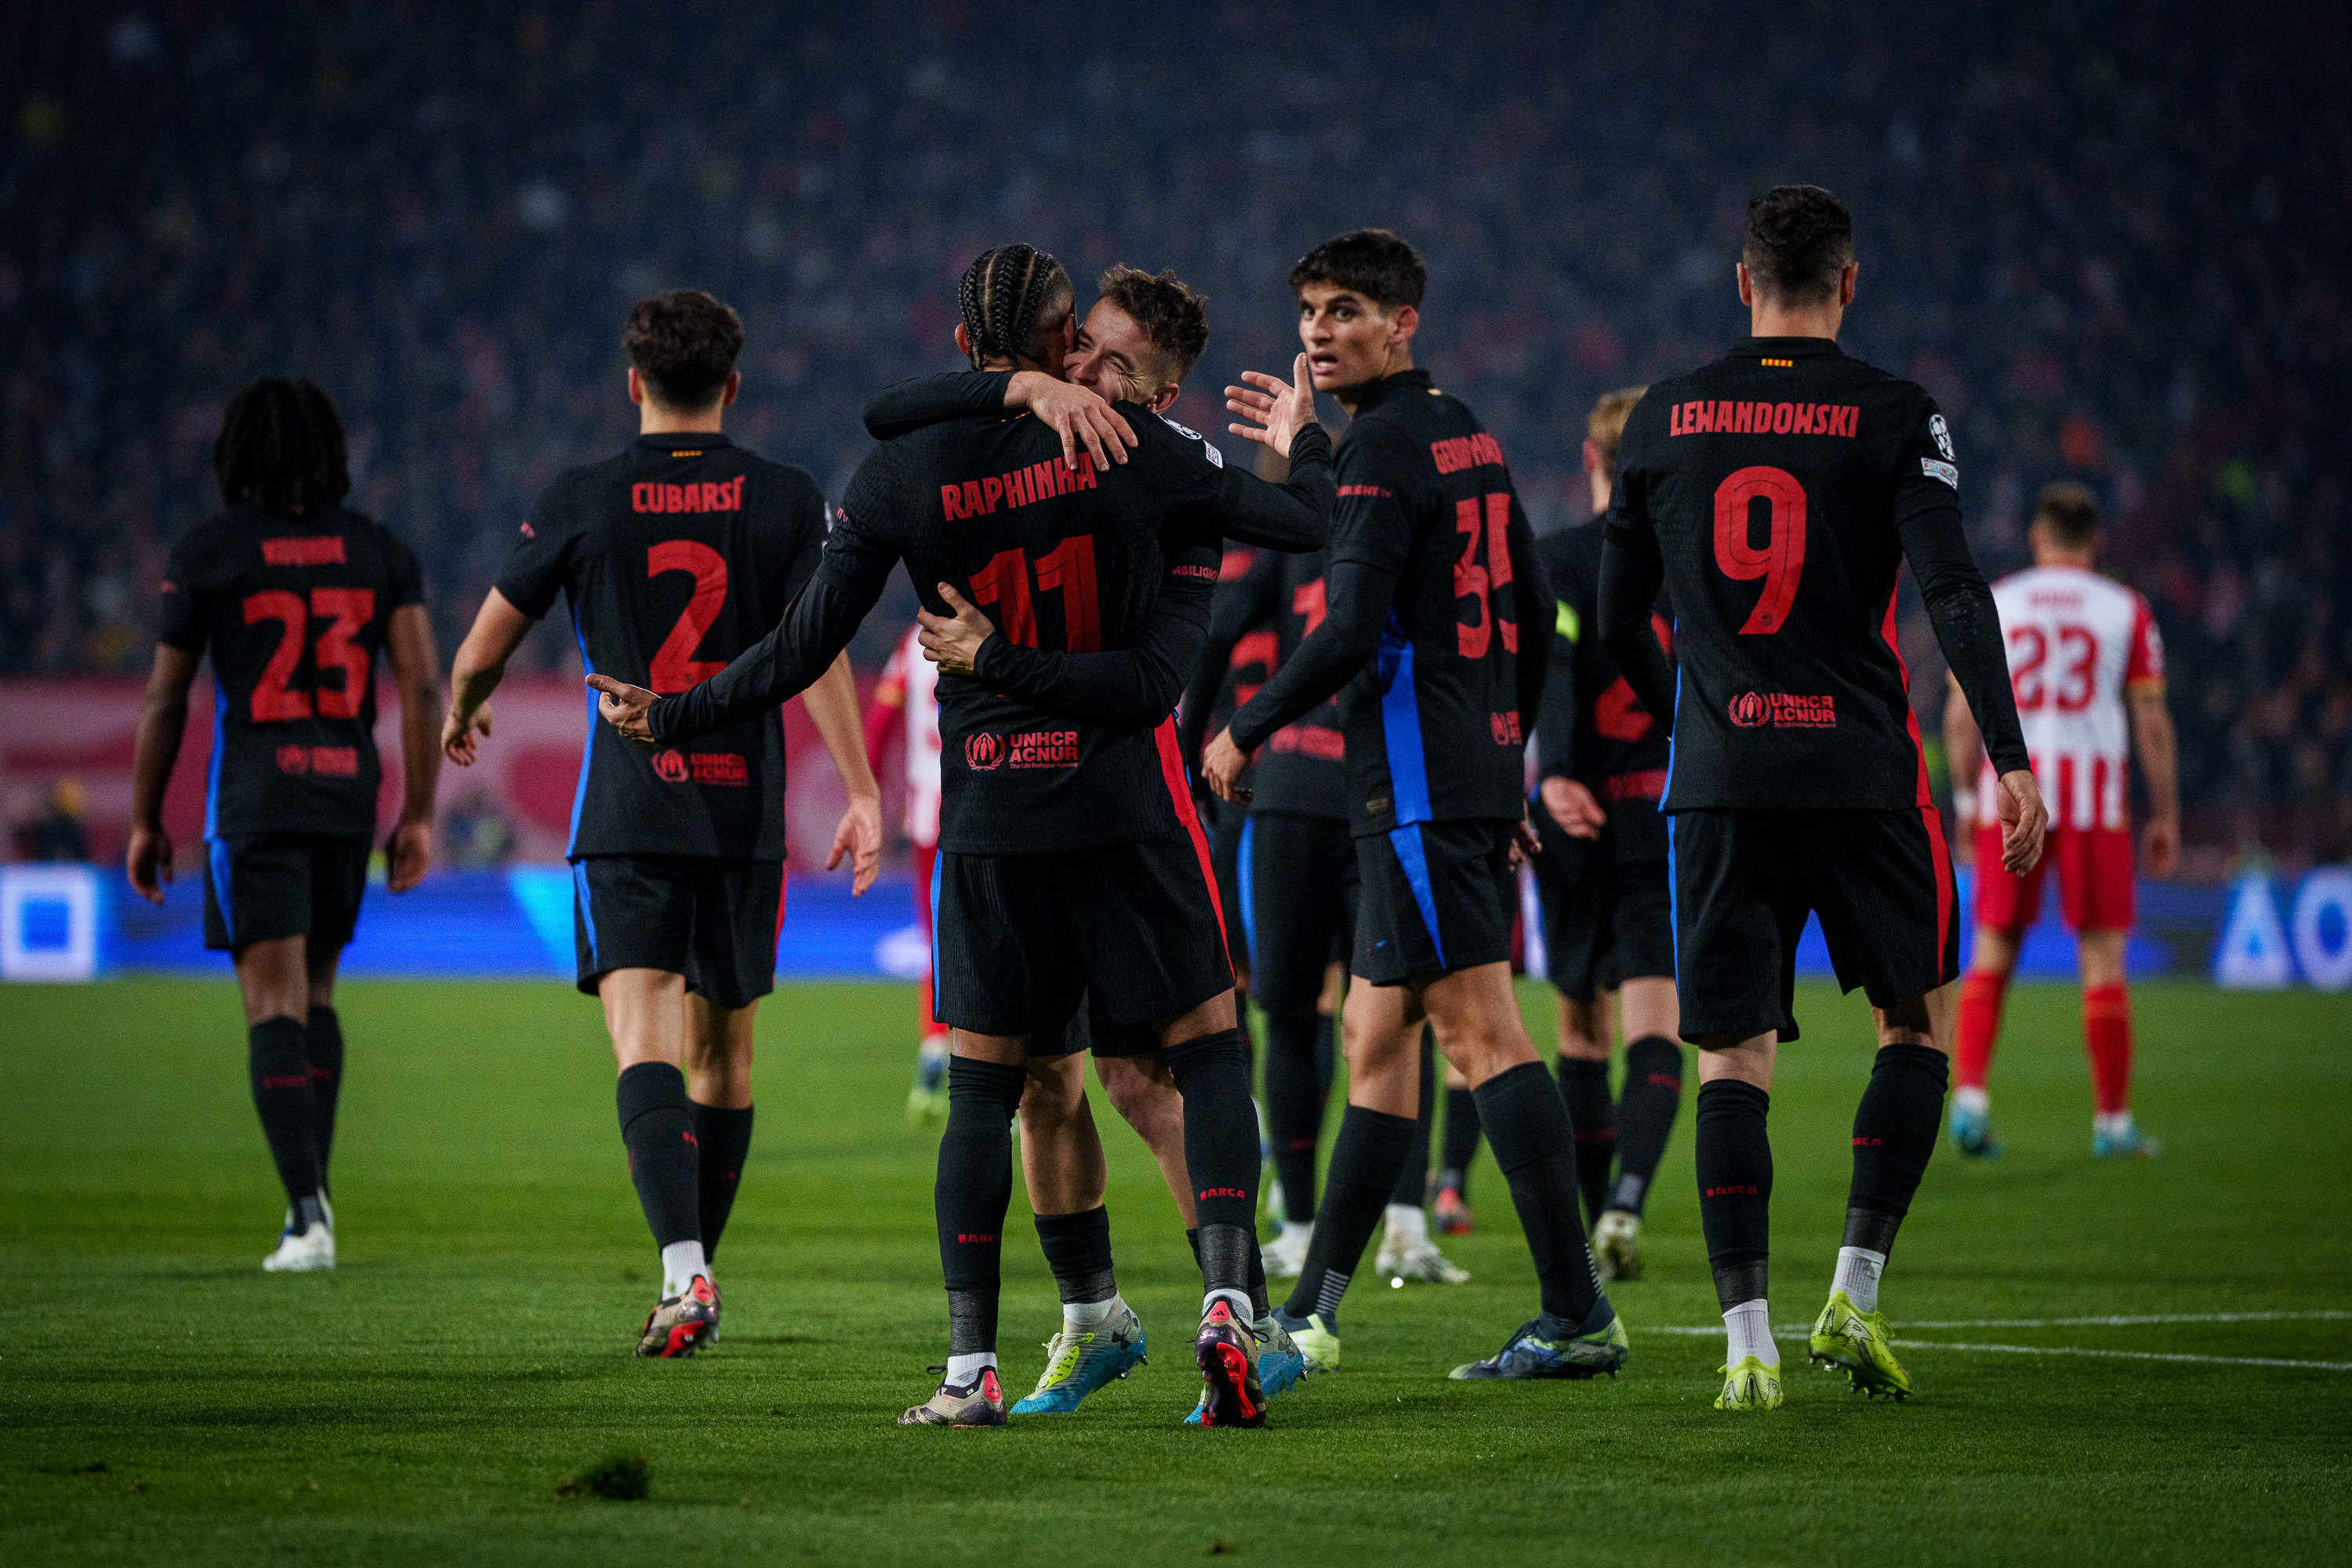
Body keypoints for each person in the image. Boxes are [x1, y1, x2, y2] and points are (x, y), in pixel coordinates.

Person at [594, 244, 1332, 1427]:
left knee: (997, 1088)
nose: (1085, 365)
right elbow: (1295, 526)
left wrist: (672, 713)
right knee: (1196, 1058)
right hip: (1126, 806)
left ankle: (968, 1369)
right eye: (1075, 346)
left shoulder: (902, 466)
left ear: (960, 346)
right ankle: (1224, 1305)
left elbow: (800, 644)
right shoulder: (1137, 448)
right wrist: (1306, 438)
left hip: (990, 813)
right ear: (1058, 346)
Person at [864, 261, 1341, 1418]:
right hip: (1025, 811)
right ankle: (1098, 1320)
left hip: (1125, 800)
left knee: (1149, 1071)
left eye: (1108, 362)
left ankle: (1241, 1311)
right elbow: (895, 414)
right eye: (1077, 345)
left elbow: (1150, 677)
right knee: (1049, 1082)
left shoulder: (1156, 467)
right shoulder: (1041, 430)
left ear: (1160, 395)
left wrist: (1305, 442)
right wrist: (1021, 389)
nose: (1077, 367)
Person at [1597, 185, 2047, 1410]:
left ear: (1742, 283)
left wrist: (1698, 707)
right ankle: (1854, 1289)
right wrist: (2008, 755)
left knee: (1730, 1056)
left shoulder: (1665, 414)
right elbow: (1953, 590)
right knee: (1915, 1024)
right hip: (1862, 771)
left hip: (1723, 778)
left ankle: (1746, 1344)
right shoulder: (1898, 411)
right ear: (1850, 283)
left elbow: (1618, 617)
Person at [1203, 229, 1628, 1382]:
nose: (1318, 331)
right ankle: (1311, 1314)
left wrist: (1243, 726)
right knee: (1375, 1037)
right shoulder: (1463, 430)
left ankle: (1577, 1310)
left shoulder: (1383, 446)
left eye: (1345, 310)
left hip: (1415, 785)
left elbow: (1347, 627)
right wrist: (1506, 755)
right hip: (1455, 773)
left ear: (1403, 323)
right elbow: (1528, 605)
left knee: (1481, 1032)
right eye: (1309, 311)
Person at [441, 290, 883, 1357]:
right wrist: (863, 788)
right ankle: (695, 1278)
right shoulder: (785, 496)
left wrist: (464, 701)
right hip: (741, 806)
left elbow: (485, 643)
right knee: (724, 1057)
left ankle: (687, 1273)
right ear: (733, 384)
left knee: (644, 1039)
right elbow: (817, 646)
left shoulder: (583, 495)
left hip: (631, 809)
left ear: (633, 382)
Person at [126, 377, 441, 1272]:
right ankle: (314, 1204)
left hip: (258, 800)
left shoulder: (210, 552)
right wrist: (418, 812)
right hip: (346, 794)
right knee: (318, 996)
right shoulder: (377, 549)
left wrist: (146, 818)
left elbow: (165, 697)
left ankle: (307, 1219)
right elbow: (422, 683)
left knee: (272, 1005)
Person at [1179, 526, 1465, 1287]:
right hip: (1375, 791)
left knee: (1294, 1014)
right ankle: (1392, 1224)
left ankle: (1313, 1223)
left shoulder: (1292, 542)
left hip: (1297, 793)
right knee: (1397, 1006)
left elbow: (1218, 629)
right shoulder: (1398, 531)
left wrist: (1190, 743)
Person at [1944, 481, 2176, 1159]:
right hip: (2095, 804)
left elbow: (1959, 716)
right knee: (2101, 958)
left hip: (2009, 796)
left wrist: (1966, 804)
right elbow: (2152, 724)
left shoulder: (1999, 600)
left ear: (2037, 537)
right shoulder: (2125, 609)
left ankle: (1969, 1103)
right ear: (2095, 541)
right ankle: (2112, 1123)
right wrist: (2165, 815)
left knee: (1993, 948)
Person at [1525, 384, 1686, 1286]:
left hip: (1574, 810)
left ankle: (1593, 1233)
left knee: (1581, 1026)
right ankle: (1627, 1198)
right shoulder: (1691, 562)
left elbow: (1552, 660)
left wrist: (1552, 769)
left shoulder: (1559, 559)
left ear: (1591, 460)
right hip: (1663, 809)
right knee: (1656, 1019)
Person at [864, 622, 951, 1124]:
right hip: (987, 808)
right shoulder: (994, 624)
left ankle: (933, 1060)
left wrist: (865, 797)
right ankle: (1008, 1078)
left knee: (937, 938)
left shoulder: (911, 644)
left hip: (927, 817)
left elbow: (878, 726)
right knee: (1001, 935)